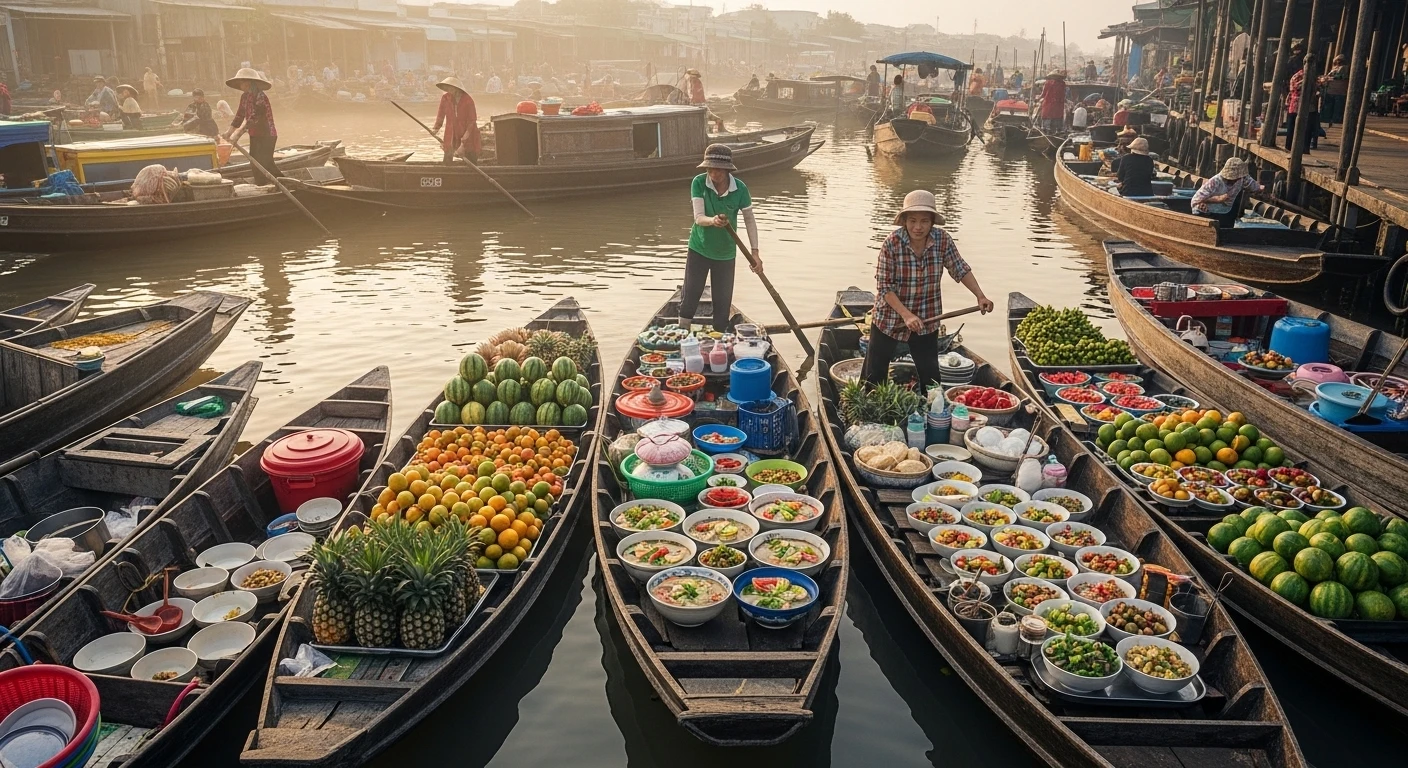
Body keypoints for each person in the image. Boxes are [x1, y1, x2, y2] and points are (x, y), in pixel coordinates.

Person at [862, 190, 992, 391]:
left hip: (926, 317)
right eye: (912, 220)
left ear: (932, 221)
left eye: (924, 221)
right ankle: (868, 415)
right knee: (874, 375)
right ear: (904, 220)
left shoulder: (942, 240)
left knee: (930, 378)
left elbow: (959, 268)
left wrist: (980, 295)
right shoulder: (892, 244)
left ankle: (931, 413)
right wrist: (906, 315)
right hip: (889, 318)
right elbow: (884, 287)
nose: (918, 227)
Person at [679, 144, 762, 332]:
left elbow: (749, 220)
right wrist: (713, 221)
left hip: (725, 252)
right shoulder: (699, 183)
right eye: (710, 169)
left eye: (717, 169)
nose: (713, 173)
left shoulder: (740, 189)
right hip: (699, 247)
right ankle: (681, 337)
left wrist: (755, 253)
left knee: (722, 303)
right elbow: (698, 218)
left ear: (727, 170)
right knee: (691, 295)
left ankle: (719, 341)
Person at [223, 67, 281, 186]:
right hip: (254, 134)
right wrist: (229, 133)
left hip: (267, 134)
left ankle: (285, 184)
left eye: (242, 82)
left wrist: (238, 134)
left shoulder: (261, 97)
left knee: (266, 163)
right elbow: (239, 116)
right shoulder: (244, 97)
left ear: (248, 82)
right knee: (254, 163)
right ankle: (261, 185)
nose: (240, 85)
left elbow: (255, 117)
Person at [1192, 157, 1262, 228]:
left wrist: (1261, 188)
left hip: (1229, 211)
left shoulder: (1242, 178)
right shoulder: (1215, 182)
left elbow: (1254, 186)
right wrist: (1217, 199)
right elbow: (1195, 200)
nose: (1234, 180)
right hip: (1210, 211)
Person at [430, 76, 480, 163]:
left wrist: (463, 143)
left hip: (467, 133)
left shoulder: (468, 100)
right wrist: (436, 128)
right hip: (451, 132)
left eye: (450, 87)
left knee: (470, 158)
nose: (448, 89)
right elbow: (440, 115)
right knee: (448, 156)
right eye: (447, 87)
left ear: (457, 88)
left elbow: (472, 122)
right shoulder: (445, 98)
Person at [1286, 62, 1320, 152]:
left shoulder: (1309, 76)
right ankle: (1293, 147)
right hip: (1299, 104)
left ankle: (1300, 148)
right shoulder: (1299, 76)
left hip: (1304, 105)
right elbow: (1295, 87)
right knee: (1298, 127)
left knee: (1305, 128)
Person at [1321, 54, 1348, 127]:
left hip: (1339, 91)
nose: (1338, 62)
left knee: (1337, 108)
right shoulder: (1334, 68)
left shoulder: (1344, 68)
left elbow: (1341, 77)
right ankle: (1327, 121)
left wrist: (1328, 78)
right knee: (1329, 107)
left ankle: (1336, 122)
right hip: (1331, 90)